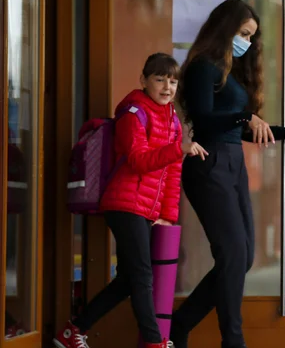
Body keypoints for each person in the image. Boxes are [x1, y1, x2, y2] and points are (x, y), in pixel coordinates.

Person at [170, 0, 285, 348]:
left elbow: (241, 130)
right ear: (225, 28)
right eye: (243, 33)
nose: (246, 41)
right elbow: (204, 120)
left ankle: (180, 323)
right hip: (208, 164)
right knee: (231, 254)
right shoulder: (203, 66)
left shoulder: (230, 71)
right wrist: (245, 117)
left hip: (232, 164)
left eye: (251, 36)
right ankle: (233, 341)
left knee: (242, 257)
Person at [55, 53, 207, 348]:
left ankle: (72, 331)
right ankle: (154, 342)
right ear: (144, 81)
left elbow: (173, 172)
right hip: (124, 204)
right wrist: (180, 149)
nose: (167, 87)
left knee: (128, 278)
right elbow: (137, 161)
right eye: (159, 79)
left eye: (172, 81)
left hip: (146, 208)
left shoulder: (173, 118)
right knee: (141, 274)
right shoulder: (133, 113)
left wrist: (168, 214)